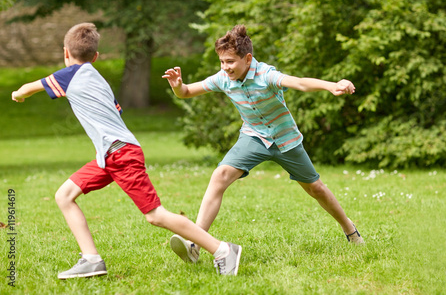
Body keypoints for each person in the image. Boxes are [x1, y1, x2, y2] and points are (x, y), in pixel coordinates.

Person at [11, 23, 241, 278]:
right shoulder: (99, 80)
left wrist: (18, 94)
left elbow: (32, 87)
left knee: (155, 215)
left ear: (66, 53)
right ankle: (91, 260)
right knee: (64, 195)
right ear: (96, 57)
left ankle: (222, 250)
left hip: (120, 154)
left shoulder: (70, 74)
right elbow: (115, 111)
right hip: (109, 155)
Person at [162, 24, 364, 264]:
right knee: (220, 175)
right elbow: (186, 92)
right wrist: (177, 86)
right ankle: (195, 244)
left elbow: (299, 83)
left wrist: (332, 85)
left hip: (285, 139)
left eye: (230, 62)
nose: (225, 68)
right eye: (221, 62)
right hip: (254, 137)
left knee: (316, 189)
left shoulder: (266, 75)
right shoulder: (223, 79)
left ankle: (349, 229)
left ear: (248, 59)